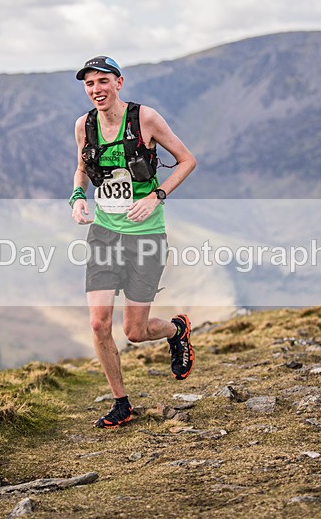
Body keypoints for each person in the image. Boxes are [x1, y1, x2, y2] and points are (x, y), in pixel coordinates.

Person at [69, 56, 197, 428]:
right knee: (98, 323)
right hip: (105, 234)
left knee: (135, 332)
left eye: (103, 81)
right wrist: (77, 198)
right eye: (90, 84)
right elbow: (81, 170)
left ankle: (177, 330)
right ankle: (121, 402)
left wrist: (156, 195)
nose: (96, 90)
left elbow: (187, 160)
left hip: (145, 236)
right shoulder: (85, 125)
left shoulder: (145, 119)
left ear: (119, 83)